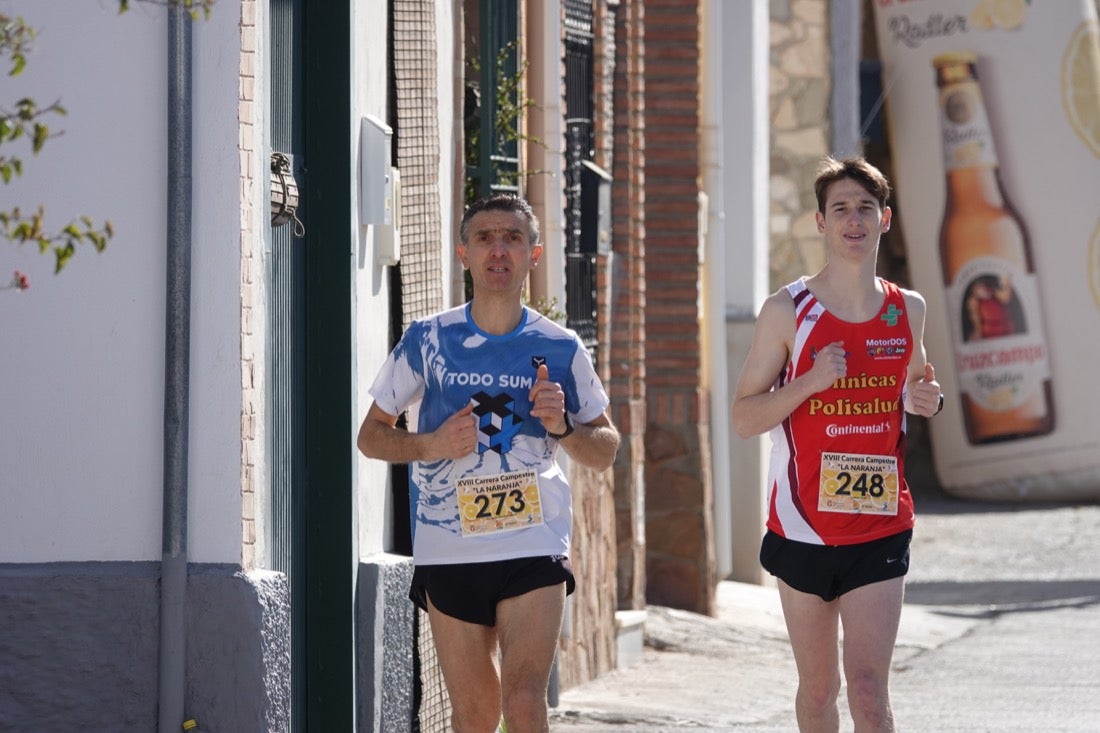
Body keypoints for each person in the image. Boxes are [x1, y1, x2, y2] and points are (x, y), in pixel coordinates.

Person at [357, 193, 620, 733]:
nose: (498, 250)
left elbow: (606, 447)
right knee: (475, 714)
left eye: (512, 238)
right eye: (484, 238)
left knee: (523, 704)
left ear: (533, 255)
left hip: (533, 542)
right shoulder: (428, 339)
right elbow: (370, 437)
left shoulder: (562, 348)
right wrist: (432, 445)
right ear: (464, 253)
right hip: (449, 544)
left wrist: (563, 427)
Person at [731, 156, 942, 732]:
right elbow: (744, 418)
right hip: (803, 527)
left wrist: (927, 400)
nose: (854, 220)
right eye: (841, 209)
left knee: (870, 693)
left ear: (884, 220)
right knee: (820, 690)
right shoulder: (786, 311)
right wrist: (810, 381)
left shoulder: (908, 309)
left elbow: (915, 387)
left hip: (880, 525)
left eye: (865, 208)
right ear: (821, 222)